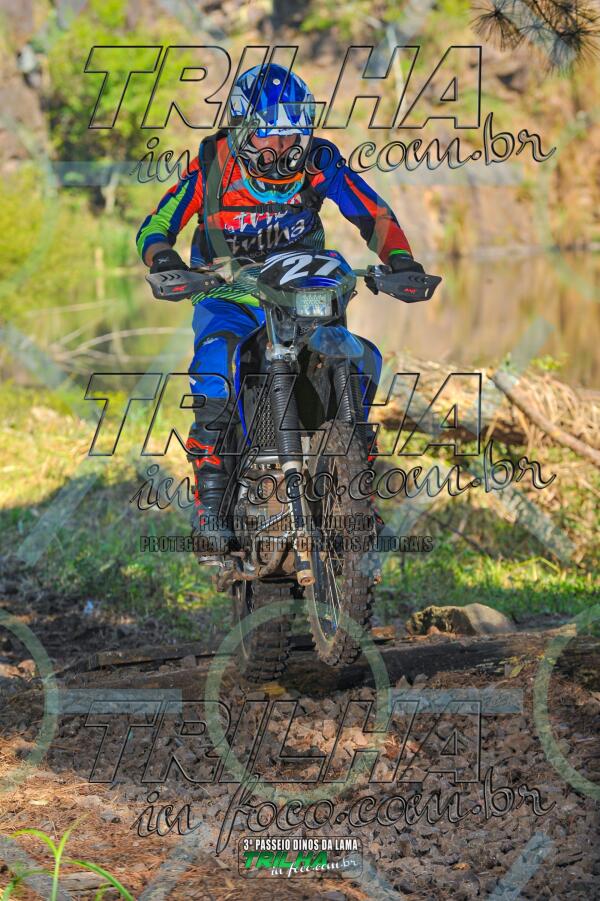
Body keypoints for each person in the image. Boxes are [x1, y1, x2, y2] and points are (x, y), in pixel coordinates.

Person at [136, 63, 424, 554]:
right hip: (231, 296)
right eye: (268, 136)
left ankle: (359, 495)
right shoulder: (213, 163)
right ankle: (211, 503)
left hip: (304, 295)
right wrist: (166, 259)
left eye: (291, 136)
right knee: (215, 365)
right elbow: (156, 225)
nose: (281, 148)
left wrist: (400, 260)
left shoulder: (320, 161)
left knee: (361, 359)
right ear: (242, 132)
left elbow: (372, 213)